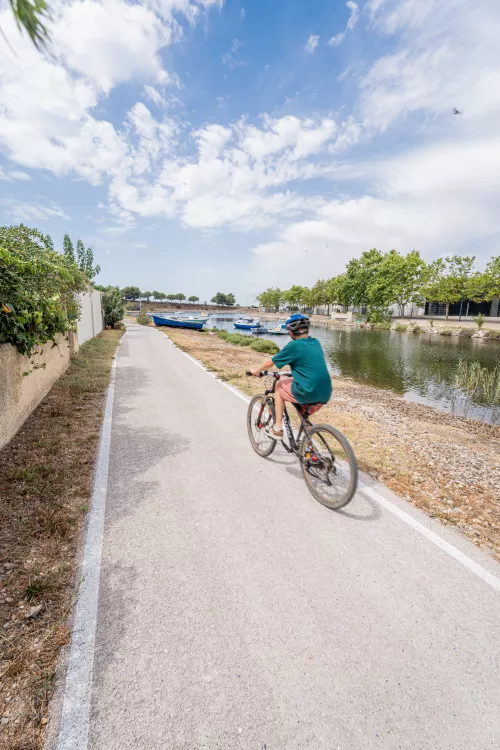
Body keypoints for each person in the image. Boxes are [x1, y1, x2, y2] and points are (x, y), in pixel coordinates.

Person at [249, 313, 332, 439]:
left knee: (279, 385)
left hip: (308, 390)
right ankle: (308, 446)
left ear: (291, 333)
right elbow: (308, 365)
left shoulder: (294, 346)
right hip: (325, 392)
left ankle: (278, 428)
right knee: (302, 411)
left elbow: (270, 363)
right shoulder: (316, 342)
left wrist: (256, 371)